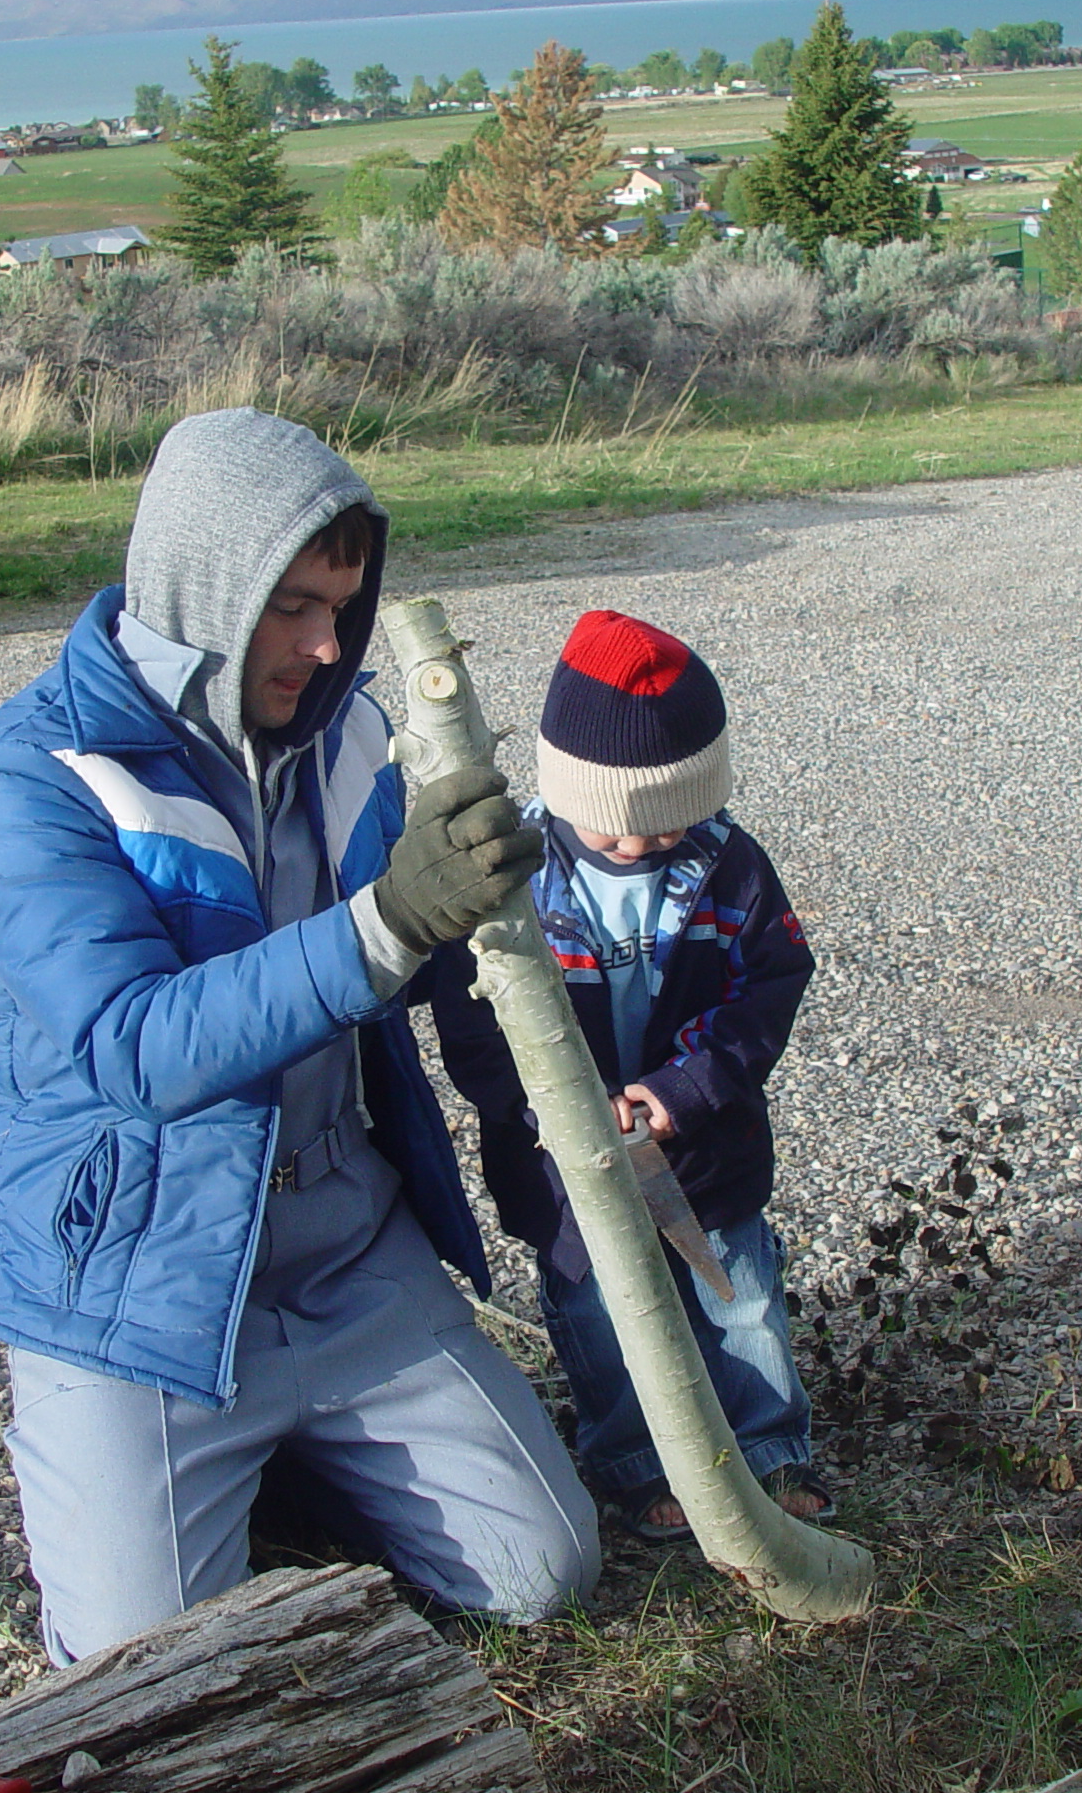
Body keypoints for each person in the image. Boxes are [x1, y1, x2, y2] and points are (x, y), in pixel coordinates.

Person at [0, 408, 601, 1662]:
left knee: (542, 1570)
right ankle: (172, 1466)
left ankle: (292, 1469)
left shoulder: (351, 734)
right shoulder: (30, 783)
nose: (327, 644)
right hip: (137, 1289)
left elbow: (456, 973)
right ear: (205, 592)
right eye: (293, 607)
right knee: (142, 1673)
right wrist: (395, 917)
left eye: (344, 605)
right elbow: (137, 1050)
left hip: (347, 1260)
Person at [430, 609, 827, 1540]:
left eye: (668, 826)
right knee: (603, 1310)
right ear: (564, 788)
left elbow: (772, 983)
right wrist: (549, 1110)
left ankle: (768, 1447)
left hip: (703, 1149)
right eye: (617, 833)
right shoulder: (510, 880)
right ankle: (634, 1461)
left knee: (743, 1300)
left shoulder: (728, 867)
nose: (644, 847)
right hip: (564, 1161)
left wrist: (685, 1090)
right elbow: (472, 1021)